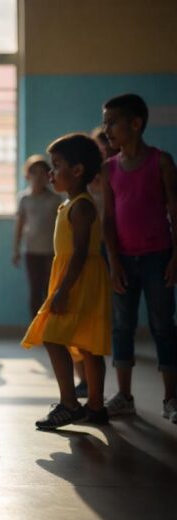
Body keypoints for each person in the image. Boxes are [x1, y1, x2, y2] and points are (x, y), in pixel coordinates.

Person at [22, 133, 110, 430]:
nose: (51, 173)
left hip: (78, 283)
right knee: (88, 346)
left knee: (53, 337)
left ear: (77, 170)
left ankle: (70, 404)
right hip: (78, 281)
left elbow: (81, 253)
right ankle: (95, 407)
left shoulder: (81, 206)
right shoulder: (69, 204)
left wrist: (62, 290)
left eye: (56, 165)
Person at [100, 93, 177, 423]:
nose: (106, 130)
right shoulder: (108, 168)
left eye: (112, 123)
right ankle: (124, 396)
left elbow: (175, 212)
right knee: (122, 327)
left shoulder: (161, 162)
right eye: (105, 123)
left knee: (163, 325)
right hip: (123, 260)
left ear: (135, 123)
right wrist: (114, 262)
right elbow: (108, 220)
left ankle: (171, 398)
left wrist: (175, 257)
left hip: (159, 257)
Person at [73, 127, 117, 398]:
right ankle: (85, 382)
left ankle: (95, 390)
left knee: (98, 315)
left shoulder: (113, 175)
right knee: (79, 318)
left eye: (107, 148)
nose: (105, 152)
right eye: (100, 148)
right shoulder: (83, 183)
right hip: (88, 246)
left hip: (107, 246)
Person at [12, 155, 64, 317]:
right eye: (35, 172)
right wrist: (16, 250)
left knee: (50, 289)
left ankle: (49, 325)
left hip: (51, 251)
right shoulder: (24, 199)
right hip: (32, 250)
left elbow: (61, 227)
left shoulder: (55, 199)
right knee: (35, 290)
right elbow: (20, 226)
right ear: (28, 175)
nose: (39, 177)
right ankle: (35, 325)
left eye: (43, 172)